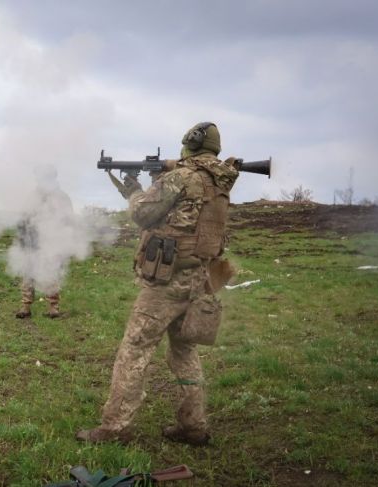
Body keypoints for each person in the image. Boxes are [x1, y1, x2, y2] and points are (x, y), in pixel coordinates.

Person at [76, 122, 239, 445]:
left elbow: (143, 214)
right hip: (199, 277)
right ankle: (193, 425)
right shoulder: (219, 182)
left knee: (135, 348)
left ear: (190, 145)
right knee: (184, 351)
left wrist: (133, 190)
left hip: (168, 279)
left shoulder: (181, 177)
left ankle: (115, 428)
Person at [14, 165, 74, 319]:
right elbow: (24, 217)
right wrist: (22, 235)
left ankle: (53, 307)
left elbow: (68, 221)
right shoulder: (33, 196)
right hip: (32, 241)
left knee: (51, 273)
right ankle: (25, 306)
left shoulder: (61, 197)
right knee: (28, 274)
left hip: (52, 241)